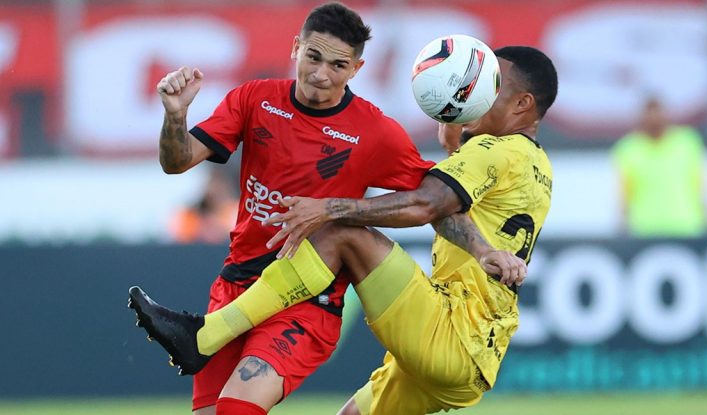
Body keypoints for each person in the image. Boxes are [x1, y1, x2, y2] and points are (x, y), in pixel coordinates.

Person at [130, 45, 558, 414]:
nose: (479, 90)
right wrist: (454, 129)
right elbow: (460, 179)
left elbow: (427, 202)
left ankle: (205, 334)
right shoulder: (534, 162)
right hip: (478, 357)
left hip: (451, 334)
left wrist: (329, 207)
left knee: (340, 230)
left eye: (492, 85)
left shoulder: (496, 149)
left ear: (521, 105)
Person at [129, 3, 442, 414]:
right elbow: (176, 162)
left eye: (338, 65)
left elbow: (429, 200)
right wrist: (176, 115)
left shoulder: (375, 131)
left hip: (306, 300)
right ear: (296, 48)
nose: (321, 74)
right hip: (236, 286)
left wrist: (335, 209)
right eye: (313, 57)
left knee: (236, 408)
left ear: (356, 69)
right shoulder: (255, 99)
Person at [612, 96, 707, 237]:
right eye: (650, 115)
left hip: (686, 227)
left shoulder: (687, 143)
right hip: (646, 230)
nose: (655, 119)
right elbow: (624, 195)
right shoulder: (629, 149)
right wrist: (621, 227)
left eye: (658, 113)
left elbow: (700, 188)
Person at [169, 168, 238, 244]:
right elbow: (181, 238)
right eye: (212, 184)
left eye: (220, 185)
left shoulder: (237, 210)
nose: (215, 190)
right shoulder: (190, 214)